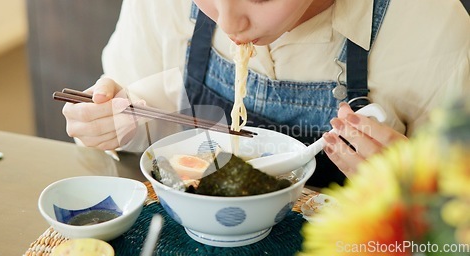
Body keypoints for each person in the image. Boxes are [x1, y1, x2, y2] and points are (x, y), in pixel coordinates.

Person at [62, 0, 470, 188]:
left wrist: (418, 190)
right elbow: (129, 105)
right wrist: (115, 125)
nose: (230, 21)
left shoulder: (431, 29)